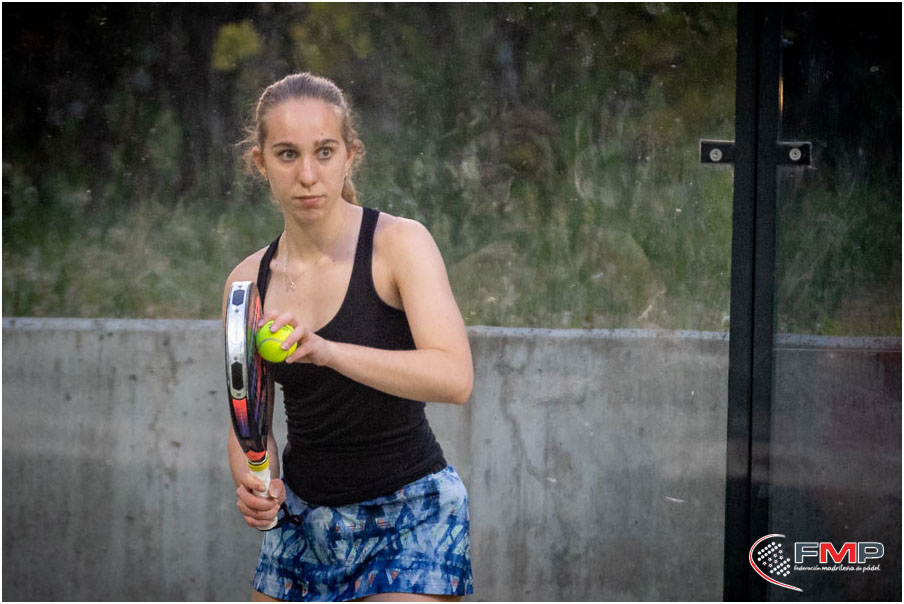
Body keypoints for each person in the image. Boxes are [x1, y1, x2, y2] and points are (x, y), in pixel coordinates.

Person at [223, 73, 474, 602]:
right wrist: (255, 482)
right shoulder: (247, 284)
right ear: (260, 163)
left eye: (324, 152)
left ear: (350, 155)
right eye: (287, 155)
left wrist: (330, 352)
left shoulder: (399, 244)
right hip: (301, 524)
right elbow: (248, 420)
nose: (307, 175)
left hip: (411, 514)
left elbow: (455, 378)